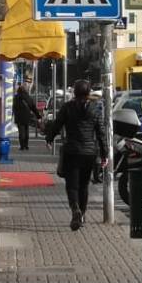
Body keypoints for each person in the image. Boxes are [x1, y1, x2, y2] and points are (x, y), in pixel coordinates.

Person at [44, 79, 108, 230]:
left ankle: (75, 210)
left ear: (74, 92)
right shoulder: (95, 109)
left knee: (71, 186)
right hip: (89, 153)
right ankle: (83, 215)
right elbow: (101, 134)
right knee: (84, 186)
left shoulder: (67, 108)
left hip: (72, 152)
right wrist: (104, 155)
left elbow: (57, 124)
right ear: (88, 92)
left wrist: (49, 139)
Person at [12, 81, 39, 151]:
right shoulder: (28, 97)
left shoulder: (16, 97)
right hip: (27, 117)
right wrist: (38, 116)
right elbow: (33, 107)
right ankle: (26, 145)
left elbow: (14, 107)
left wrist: (13, 115)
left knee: (21, 132)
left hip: (19, 117)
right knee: (26, 131)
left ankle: (22, 146)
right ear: (26, 89)